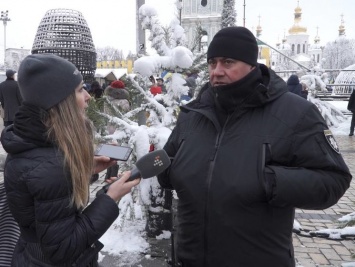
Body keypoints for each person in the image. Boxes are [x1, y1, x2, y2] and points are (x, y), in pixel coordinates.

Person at [157, 27, 352, 267]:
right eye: (212, 62)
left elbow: (333, 179)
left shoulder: (295, 113)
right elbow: (169, 162)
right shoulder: (193, 114)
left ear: (251, 65)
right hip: (191, 259)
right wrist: (164, 170)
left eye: (228, 62)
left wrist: (267, 180)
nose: (217, 71)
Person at [1, 54, 140, 266]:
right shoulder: (52, 166)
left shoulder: (29, 141)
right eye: (79, 89)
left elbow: (43, 193)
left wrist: (82, 168)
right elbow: (63, 249)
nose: (88, 96)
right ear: (60, 101)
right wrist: (111, 198)